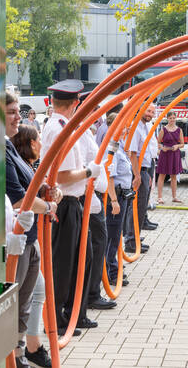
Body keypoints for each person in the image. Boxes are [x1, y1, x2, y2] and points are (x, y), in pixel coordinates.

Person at [40, 79, 102, 334]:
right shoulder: (58, 129)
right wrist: (89, 171)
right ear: (75, 103)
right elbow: (63, 176)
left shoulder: (62, 125)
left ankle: (74, 311)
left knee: (80, 260)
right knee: (64, 264)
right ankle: (57, 319)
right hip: (65, 203)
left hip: (71, 203)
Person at [5, 96, 61, 368]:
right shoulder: (1, 150)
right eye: (12, 112)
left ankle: (20, 353)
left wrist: (47, 192)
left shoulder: (8, 147)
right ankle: (17, 354)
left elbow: (29, 184)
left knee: (26, 300)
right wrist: (49, 205)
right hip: (16, 239)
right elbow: (18, 198)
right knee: (17, 301)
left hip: (27, 238)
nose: (19, 117)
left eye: (19, 112)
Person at [76, 91, 116, 312]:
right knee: (94, 245)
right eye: (95, 109)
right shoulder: (81, 133)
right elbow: (83, 166)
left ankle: (92, 292)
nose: (99, 114)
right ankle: (91, 294)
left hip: (94, 197)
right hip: (88, 198)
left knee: (98, 244)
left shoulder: (87, 132)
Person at [105, 115, 134, 286]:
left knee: (116, 235)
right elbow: (110, 176)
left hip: (122, 195)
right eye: (124, 127)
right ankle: (111, 272)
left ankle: (114, 269)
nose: (127, 130)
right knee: (113, 236)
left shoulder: (118, 146)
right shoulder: (112, 148)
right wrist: (114, 201)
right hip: (116, 197)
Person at [125, 103, 156, 253]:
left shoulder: (144, 127)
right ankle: (131, 241)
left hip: (144, 169)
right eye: (148, 111)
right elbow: (132, 154)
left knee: (141, 206)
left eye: (152, 112)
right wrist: (137, 175)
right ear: (141, 110)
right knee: (137, 206)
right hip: (138, 170)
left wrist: (147, 173)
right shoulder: (136, 128)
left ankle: (135, 236)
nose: (150, 114)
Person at [156, 111, 185, 203]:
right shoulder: (163, 130)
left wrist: (177, 146)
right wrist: (162, 148)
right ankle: (160, 197)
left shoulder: (179, 130)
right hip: (165, 154)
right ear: (167, 119)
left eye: (173, 118)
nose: (172, 120)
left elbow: (182, 144)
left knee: (174, 176)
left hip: (174, 154)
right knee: (162, 175)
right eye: (170, 118)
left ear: (175, 118)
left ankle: (174, 197)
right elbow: (158, 143)